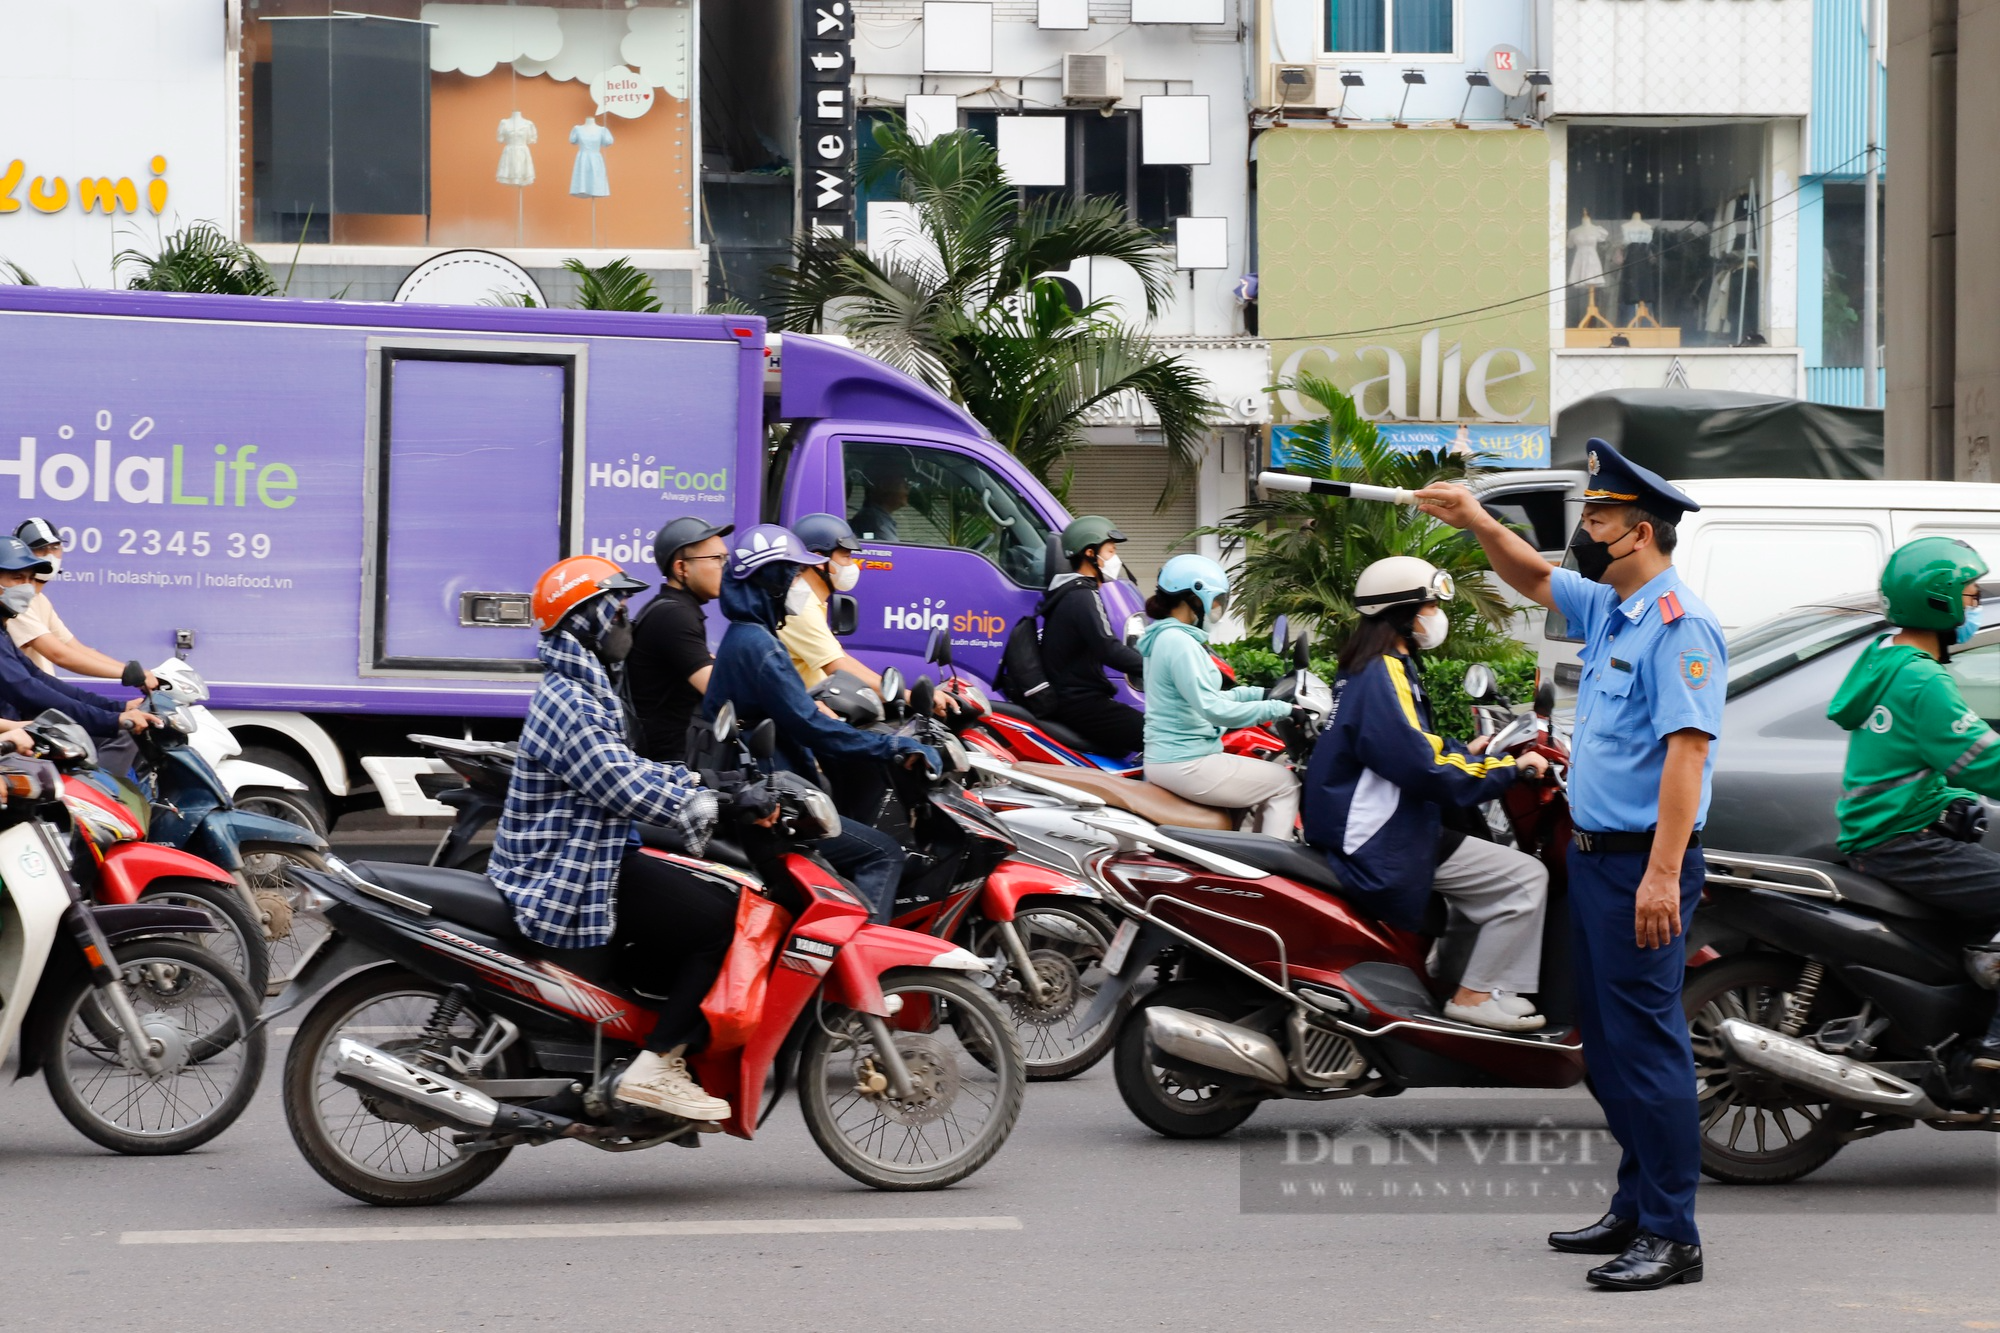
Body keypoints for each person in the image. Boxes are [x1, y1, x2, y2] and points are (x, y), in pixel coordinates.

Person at [1417, 441, 1724, 1292]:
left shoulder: (1678, 624)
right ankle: (1635, 1204)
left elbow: (1685, 759)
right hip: (1593, 861)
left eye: (1596, 520)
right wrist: (1478, 518)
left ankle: (1673, 1234)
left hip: (1641, 867)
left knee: (1648, 1048)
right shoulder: (1617, 609)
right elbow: (1532, 578)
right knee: (1607, 1047)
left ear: (1640, 533)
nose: (1581, 534)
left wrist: (1662, 875)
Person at [488, 553, 738, 1123]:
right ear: (585, 620)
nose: (626, 618)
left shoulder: (587, 686)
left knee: (693, 893)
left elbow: (626, 764)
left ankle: (635, 1045)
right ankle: (656, 1064)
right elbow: (617, 781)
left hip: (593, 851)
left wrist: (700, 782)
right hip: (566, 872)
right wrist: (693, 801)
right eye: (615, 608)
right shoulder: (570, 699)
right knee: (718, 924)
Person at [1299, 556, 1553, 1032]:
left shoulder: (1379, 665)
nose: (1435, 615)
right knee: (1524, 878)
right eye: (1430, 604)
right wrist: (1508, 770)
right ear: (1402, 612)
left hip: (1382, 824)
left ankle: (1450, 980)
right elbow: (1425, 768)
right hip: (1384, 837)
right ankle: (1475, 997)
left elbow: (1412, 743)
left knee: (1483, 882)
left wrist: (1470, 751)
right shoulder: (1384, 671)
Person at [702, 524, 937, 923]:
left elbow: (793, 710)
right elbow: (812, 728)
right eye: (792, 574)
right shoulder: (759, 647)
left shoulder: (749, 636)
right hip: (774, 806)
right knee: (883, 853)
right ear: (771, 581)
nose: (799, 583)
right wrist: (894, 747)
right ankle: (860, 965)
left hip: (767, 789)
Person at [1828, 536, 2000, 1065]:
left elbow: (1913, 757)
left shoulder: (1887, 659)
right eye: (1970, 596)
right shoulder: (1923, 679)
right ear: (1940, 600)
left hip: (1888, 833)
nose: (1974, 607)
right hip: (1902, 842)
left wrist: (1949, 797)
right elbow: (1982, 760)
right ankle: (1997, 1046)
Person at [1137, 554, 1303, 837]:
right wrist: (1280, 709)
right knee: (1286, 783)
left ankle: (1252, 853)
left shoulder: (1168, 637)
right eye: (1216, 600)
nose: (1217, 607)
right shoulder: (1179, 643)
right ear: (1194, 598)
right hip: (1185, 762)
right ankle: (1270, 867)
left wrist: (1261, 693)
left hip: (1172, 759)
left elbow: (1213, 695)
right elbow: (1214, 709)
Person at [0, 537, 151, 745]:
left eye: (30, 578)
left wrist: (117, 708)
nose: (27, 587)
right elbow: (26, 688)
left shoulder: (3, 630)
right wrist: (111, 719)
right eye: (17, 578)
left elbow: (39, 679)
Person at [627, 516, 732, 764]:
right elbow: (719, 690)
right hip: (668, 765)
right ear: (681, 568)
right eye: (716, 559)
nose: (724, 567)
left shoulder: (671, 609)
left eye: (725, 558)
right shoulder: (675, 616)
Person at [1039, 515, 1146, 758]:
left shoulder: (1067, 592)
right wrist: (1156, 666)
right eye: (1110, 551)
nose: (1115, 559)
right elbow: (1107, 648)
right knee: (1159, 736)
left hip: (1075, 701)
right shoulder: (1082, 595)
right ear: (1090, 553)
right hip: (1083, 704)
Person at [11, 517, 158, 688]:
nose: (50, 555)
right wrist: (128, 674)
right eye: (41, 549)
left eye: (55, 547)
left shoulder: (41, 600)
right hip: (18, 707)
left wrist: (134, 672)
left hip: (39, 699)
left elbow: (76, 648)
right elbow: (60, 655)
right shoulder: (16, 603)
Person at [780, 513, 885, 692]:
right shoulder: (799, 607)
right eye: (846, 557)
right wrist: (904, 695)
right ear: (820, 560)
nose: (853, 565)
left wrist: (895, 688)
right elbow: (838, 668)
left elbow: (840, 657)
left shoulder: (809, 600)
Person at [849, 460, 909, 543]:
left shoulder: (875, 518)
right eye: (904, 483)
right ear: (884, 485)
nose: (908, 490)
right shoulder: (876, 524)